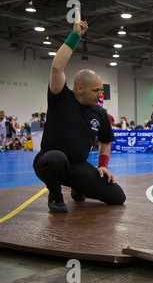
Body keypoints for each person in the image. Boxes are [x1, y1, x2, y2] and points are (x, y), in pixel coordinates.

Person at [32, 18, 126, 213]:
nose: (101, 94)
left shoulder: (100, 113)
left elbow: (106, 141)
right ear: (80, 89)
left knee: (117, 197)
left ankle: (78, 186)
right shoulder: (61, 97)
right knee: (56, 159)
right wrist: (76, 35)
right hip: (48, 162)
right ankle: (55, 195)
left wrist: (102, 165)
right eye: (96, 90)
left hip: (78, 166)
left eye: (101, 90)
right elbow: (57, 67)